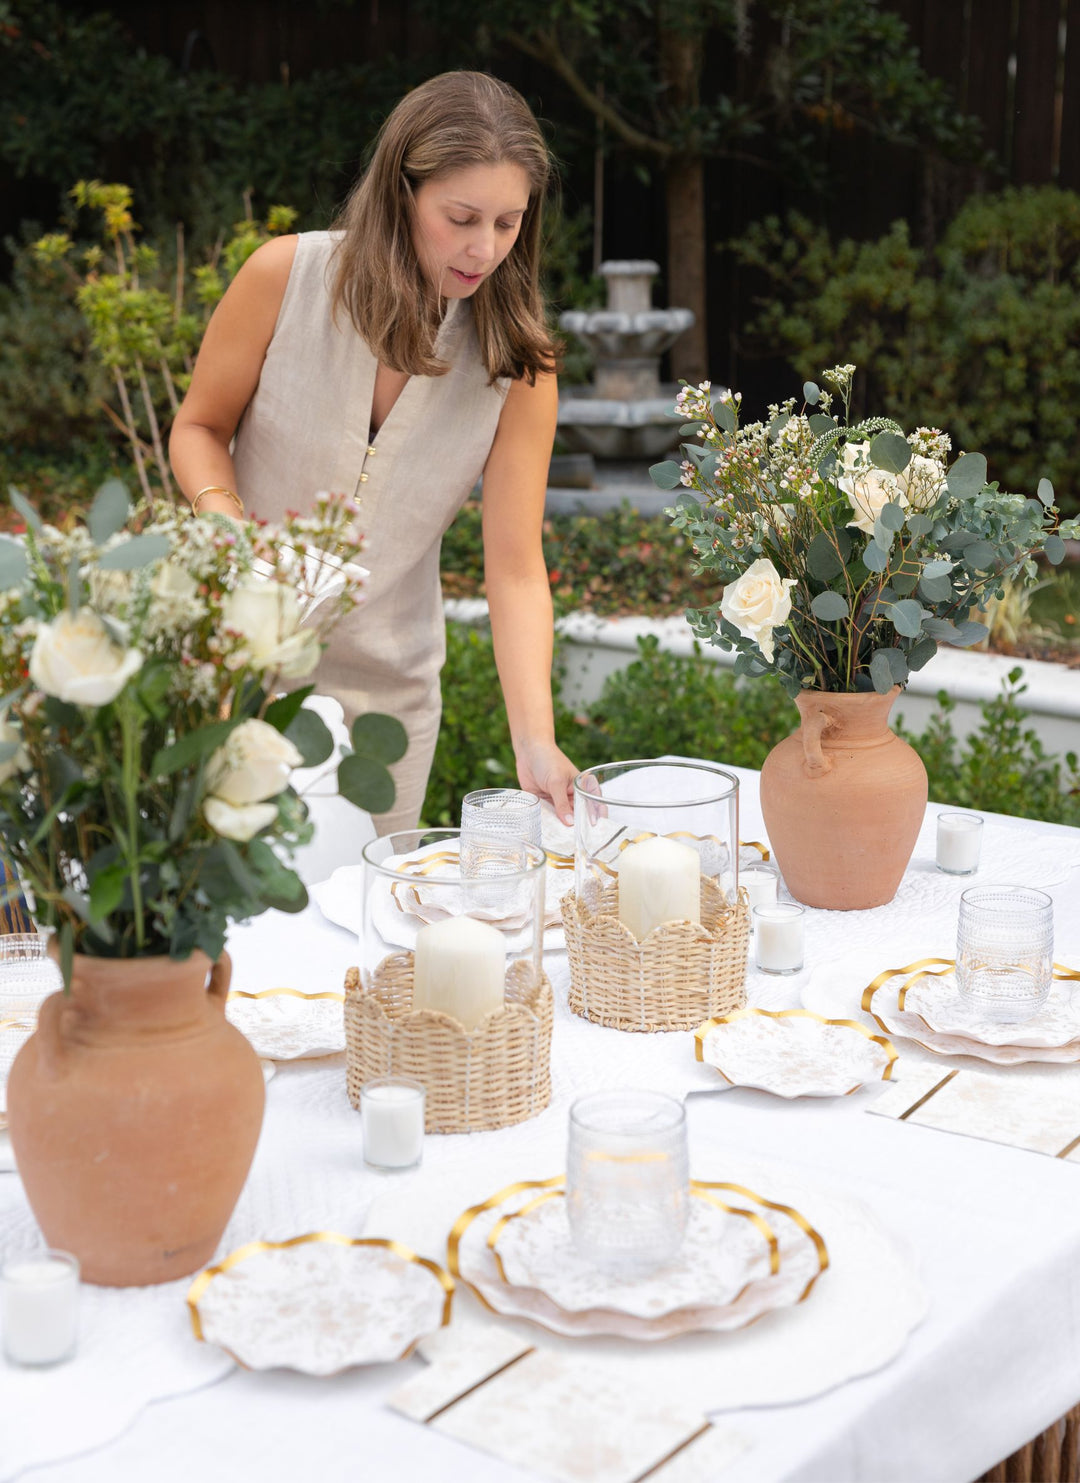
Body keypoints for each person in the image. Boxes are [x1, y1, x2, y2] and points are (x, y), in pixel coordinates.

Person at [169, 70, 578, 832]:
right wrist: (226, 523)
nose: (483, 248)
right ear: (402, 192)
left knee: (370, 933)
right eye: (460, 217)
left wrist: (536, 741)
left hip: (386, 704)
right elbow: (198, 428)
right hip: (225, 668)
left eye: (507, 222)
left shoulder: (518, 360)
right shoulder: (284, 278)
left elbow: (516, 566)